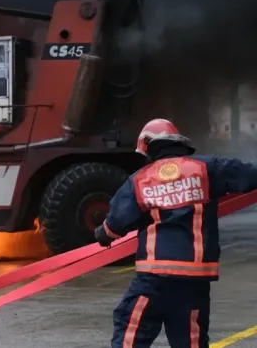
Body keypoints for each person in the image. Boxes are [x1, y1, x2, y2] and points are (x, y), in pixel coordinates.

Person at [95, 118, 257, 348]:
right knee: (190, 341)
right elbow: (249, 175)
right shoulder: (207, 168)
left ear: (148, 146)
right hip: (194, 281)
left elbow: (115, 224)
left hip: (153, 278)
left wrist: (102, 234)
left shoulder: (140, 179)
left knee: (130, 333)